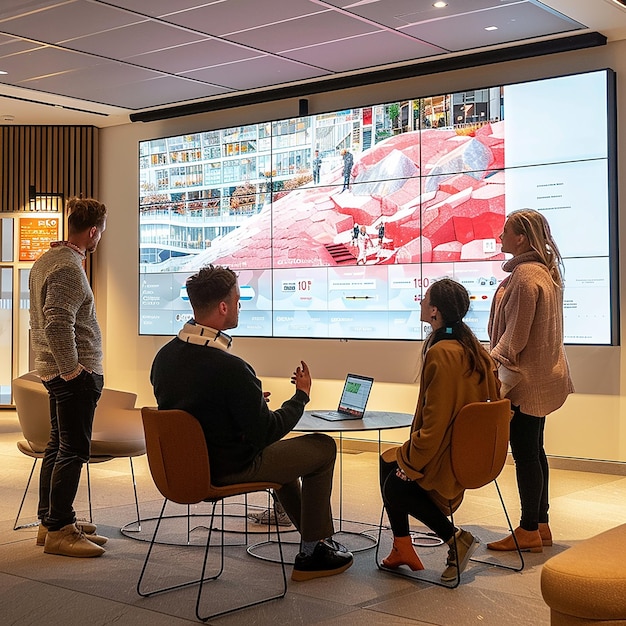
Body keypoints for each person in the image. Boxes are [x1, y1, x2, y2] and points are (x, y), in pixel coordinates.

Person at [150, 265, 353, 581]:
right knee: (322, 447)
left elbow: (195, 409)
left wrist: (249, 405)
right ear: (223, 307)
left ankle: (317, 543)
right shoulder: (231, 367)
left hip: (183, 471)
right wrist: (300, 396)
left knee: (286, 468)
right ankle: (314, 552)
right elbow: (266, 433)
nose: (240, 305)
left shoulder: (163, 358)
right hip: (228, 469)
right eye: (238, 299)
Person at [379, 278, 500, 582]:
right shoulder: (475, 350)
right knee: (386, 461)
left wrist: (409, 459)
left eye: (425, 298)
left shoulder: (441, 353)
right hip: (472, 455)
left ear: (435, 311)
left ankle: (456, 538)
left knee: (394, 483)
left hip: (444, 460)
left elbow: (432, 429)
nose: (420, 301)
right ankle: (402, 547)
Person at [487, 209, 573, 553]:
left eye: (505, 232)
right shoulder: (546, 273)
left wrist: (484, 361)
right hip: (545, 378)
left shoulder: (525, 276)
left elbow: (515, 339)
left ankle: (527, 530)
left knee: (525, 455)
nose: (499, 237)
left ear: (520, 238)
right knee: (535, 451)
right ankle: (541, 524)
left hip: (526, 383)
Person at [29, 197, 109, 558]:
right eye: (101, 232)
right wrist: (74, 372)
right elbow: (57, 323)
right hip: (71, 375)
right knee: (74, 449)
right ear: (92, 231)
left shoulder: (49, 260)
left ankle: (51, 520)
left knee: (58, 445)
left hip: (56, 371)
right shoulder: (67, 268)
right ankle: (61, 529)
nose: (100, 238)